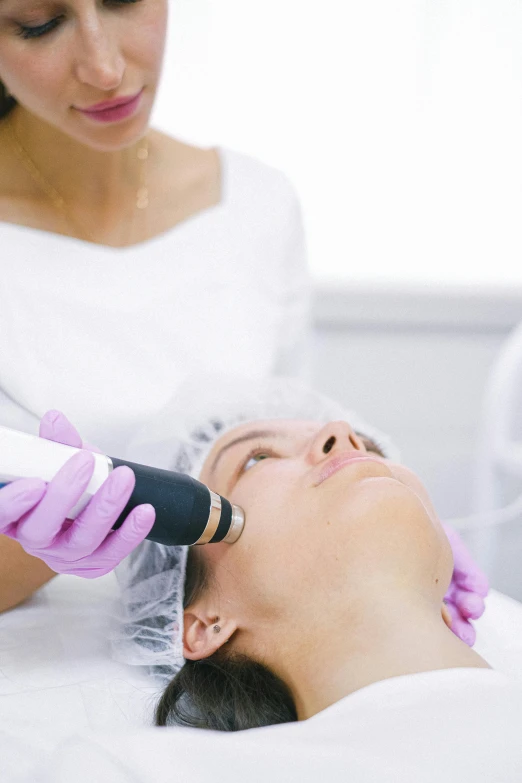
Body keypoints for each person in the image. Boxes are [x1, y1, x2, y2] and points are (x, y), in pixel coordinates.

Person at [0, 0, 308, 602]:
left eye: (123, 0)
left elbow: (297, 433)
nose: (105, 67)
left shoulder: (256, 205)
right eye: (39, 24)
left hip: (231, 638)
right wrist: (39, 551)